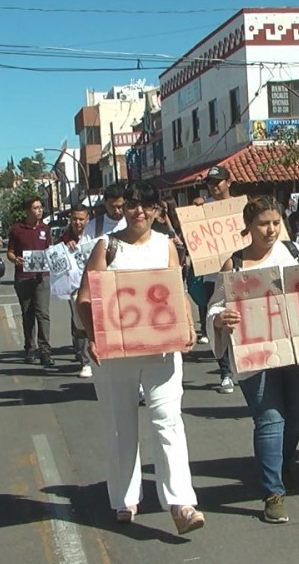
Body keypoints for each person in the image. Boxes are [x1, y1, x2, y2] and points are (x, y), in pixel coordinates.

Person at [76, 181, 205, 534]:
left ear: (157, 209)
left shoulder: (166, 246)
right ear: (122, 208)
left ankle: (181, 503)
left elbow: (175, 292)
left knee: (168, 421)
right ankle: (124, 498)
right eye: (132, 205)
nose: (139, 212)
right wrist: (94, 336)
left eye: (147, 206)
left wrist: (188, 325)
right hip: (117, 354)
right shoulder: (108, 247)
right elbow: (85, 298)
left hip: (161, 352)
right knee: (121, 426)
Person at [207, 196, 299, 523]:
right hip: (256, 357)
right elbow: (216, 306)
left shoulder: (294, 252)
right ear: (248, 226)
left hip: (297, 352)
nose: (271, 229)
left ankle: (283, 462)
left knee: (296, 414)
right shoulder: (233, 265)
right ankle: (272, 492)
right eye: (263, 223)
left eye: (276, 222)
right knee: (269, 419)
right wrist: (220, 319)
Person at [200, 166, 237, 393]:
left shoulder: (242, 207)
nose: (215, 186)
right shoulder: (203, 209)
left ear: (228, 182)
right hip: (212, 274)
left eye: (219, 182)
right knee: (218, 322)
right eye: (211, 183)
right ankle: (225, 372)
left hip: (239, 272)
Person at [6, 196, 54, 366]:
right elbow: (10, 252)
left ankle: (45, 350)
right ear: (27, 211)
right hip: (23, 277)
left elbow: (50, 251)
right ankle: (30, 348)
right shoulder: (17, 229)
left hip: (42, 277)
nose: (39, 210)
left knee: (43, 314)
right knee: (28, 313)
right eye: (35, 208)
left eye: (40, 207)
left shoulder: (45, 229)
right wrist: (15, 260)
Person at [56, 204, 92, 378]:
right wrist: (64, 245)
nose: (78, 223)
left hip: (96, 283)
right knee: (79, 322)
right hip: (74, 286)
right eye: (74, 219)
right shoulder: (64, 237)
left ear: (88, 219)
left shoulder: (94, 234)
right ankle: (84, 360)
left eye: (81, 219)